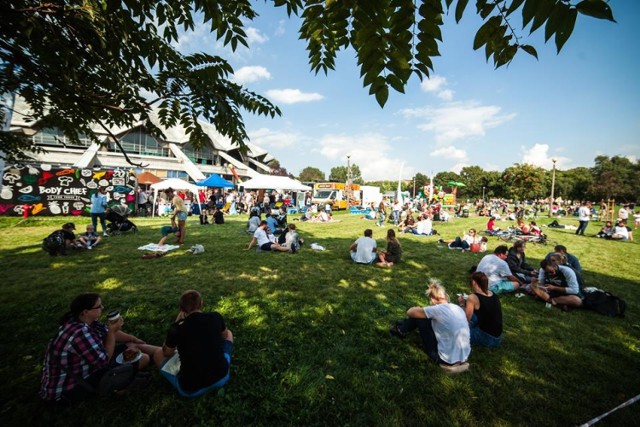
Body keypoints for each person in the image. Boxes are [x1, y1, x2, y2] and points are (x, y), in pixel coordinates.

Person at [40, 293, 159, 402]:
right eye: (98, 306)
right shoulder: (80, 334)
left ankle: (166, 352)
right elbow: (104, 359)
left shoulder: (82, 321)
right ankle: (120, 388)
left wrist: (133, 339)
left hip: (88, 367)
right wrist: (112, 332)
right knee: (143, 358)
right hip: (69, 390)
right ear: (85, 311)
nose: (102, 308)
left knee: (132, 346)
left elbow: (108, 333)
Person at [154, 290, 233, 397]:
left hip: (191, 389)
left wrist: (175, 324)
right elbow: (224, 336)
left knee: (158, 354)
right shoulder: (215, 316)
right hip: (222, 376)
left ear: (181, 309)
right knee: (229, 333)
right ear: (201, 303)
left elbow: (167, 352)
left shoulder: (177, 328)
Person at [389, 280, 470, 370]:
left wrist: (418, 308)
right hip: (464, 357)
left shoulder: (437, 309)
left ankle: (400, 330)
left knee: (419, 317)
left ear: (432, 299)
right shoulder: (457, 308)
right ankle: (405, 324)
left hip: (444, 359)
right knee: (425, 316)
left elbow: (410, 312)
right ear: (446, 296)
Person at [458, 272, 502, 348]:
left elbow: (466, 319)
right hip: (498, 337)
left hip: (486, 338)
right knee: (474, 317)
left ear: (474, 282)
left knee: (457, 332)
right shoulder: (493, 294)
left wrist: (461, 303)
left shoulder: (472, 297)